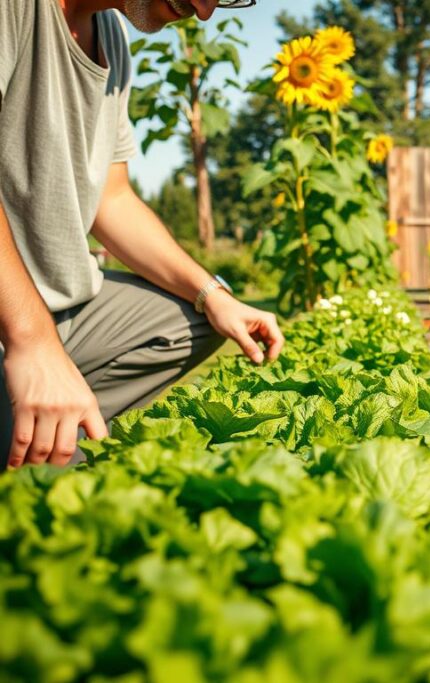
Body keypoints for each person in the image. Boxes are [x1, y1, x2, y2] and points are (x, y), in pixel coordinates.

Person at [0, 0, 284, 470]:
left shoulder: (111, 35)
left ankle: (49, 438)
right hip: (15, 312)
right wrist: (33, 342)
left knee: (192, 318)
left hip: (61, 300)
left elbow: (112, 199)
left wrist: (212, 293)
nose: (205, 9)